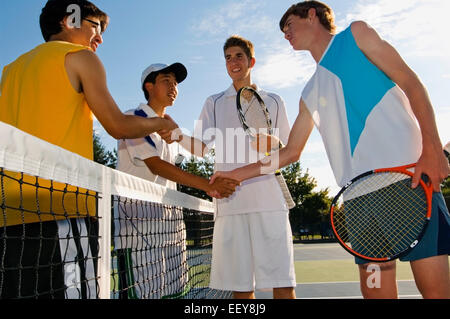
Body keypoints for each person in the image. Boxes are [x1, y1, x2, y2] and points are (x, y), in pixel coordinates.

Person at [211, 1, 450, 299]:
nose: (285, 33)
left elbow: (411, 82)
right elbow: (290, 153)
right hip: (358, 200)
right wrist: (234, 174)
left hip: (406, 182)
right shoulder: (309, 92)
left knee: (437, 293)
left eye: (289, 24)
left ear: (312, 15)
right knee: (376, 293)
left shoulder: (356, 35)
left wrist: (432, 148)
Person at [0, 0, 178, 299]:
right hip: (62, 211)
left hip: (10, 215)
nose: (100, 38)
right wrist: (160, 124)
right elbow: (118, 125)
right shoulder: (80, 57)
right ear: (69, 20)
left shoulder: (9, 70)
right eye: (95, 26)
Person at [114, 62, 239, 298]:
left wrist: (178, 133)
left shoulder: (170, 128)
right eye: (166, 81)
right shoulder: (133, 117)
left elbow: (200, 151)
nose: (173, 87)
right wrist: (209, 186)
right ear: (148, 86)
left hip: (170, 229)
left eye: (175, 83)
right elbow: (155, 165)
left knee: (175, 295)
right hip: (138, 230)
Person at [194, 35, 296, 299]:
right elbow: (199, 147)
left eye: (238, 56)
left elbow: (288, 149)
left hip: (269, 202)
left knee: (283, 285)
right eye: (228, 57)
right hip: (231, 205)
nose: (233, 62)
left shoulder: (274, 100)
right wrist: (171, 133)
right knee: (241, 289)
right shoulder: (213, 102)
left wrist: (272, 141)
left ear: (251, 61)